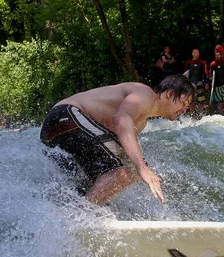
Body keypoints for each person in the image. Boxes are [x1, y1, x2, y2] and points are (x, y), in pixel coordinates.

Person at [40, 75, 195, 205]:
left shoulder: (141, 122)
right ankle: (82, 215)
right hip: (66, 116)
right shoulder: (145, 94)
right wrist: (141, 167)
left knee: (91, 182)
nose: (184, 109)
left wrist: (144, 172)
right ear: (169, 94)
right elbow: (120, 119)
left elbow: (110, 147)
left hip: (54, 129)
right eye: (184, 102)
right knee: (128, 170)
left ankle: (67, 214)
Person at [183, 48, 209, 116]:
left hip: (200, 82)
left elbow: (205, 73)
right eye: (195, 53)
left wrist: (206, 83)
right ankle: (192, 114)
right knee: (192, 100)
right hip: (191, 83)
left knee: (201, 99)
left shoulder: (202, 62)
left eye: (198, 53)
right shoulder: (188, 63)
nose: (197, 54)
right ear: (192, 54)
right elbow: (186, 74)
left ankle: (201, 114)